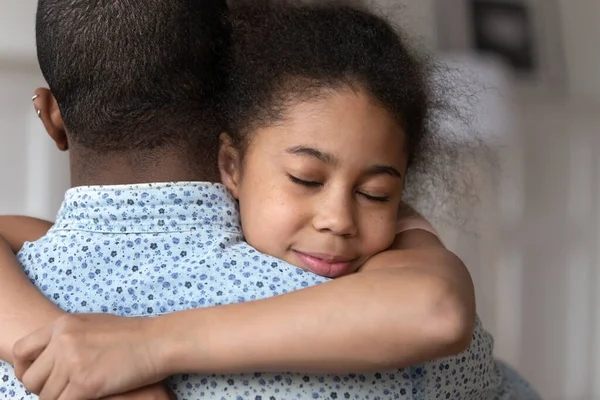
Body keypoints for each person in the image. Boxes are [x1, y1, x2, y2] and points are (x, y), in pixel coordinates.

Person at [0, 0, 540, 399]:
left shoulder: (33, 296)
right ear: (233, 129)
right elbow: (441, 313)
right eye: (307, 178)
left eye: (377, 194)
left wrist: (79, 346)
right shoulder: (392, 334)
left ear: (50, 115)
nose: (337, 220)